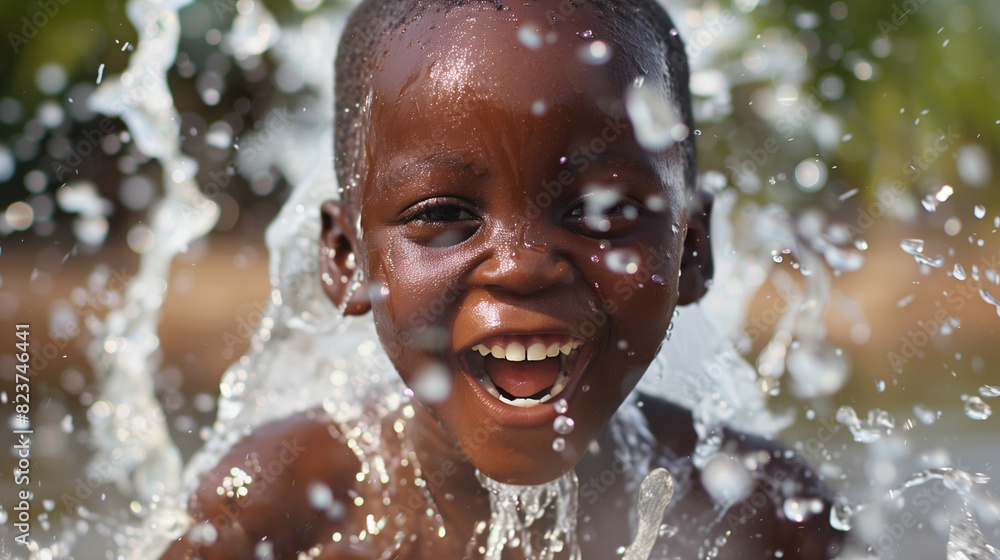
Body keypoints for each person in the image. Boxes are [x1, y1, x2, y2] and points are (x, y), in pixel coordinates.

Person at [160, 0, 845, 558]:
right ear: (346, 258)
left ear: (690, 250)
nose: (521, 266)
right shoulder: (276, 514)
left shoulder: (763, 519)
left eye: (601, 212)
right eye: (445, 214)